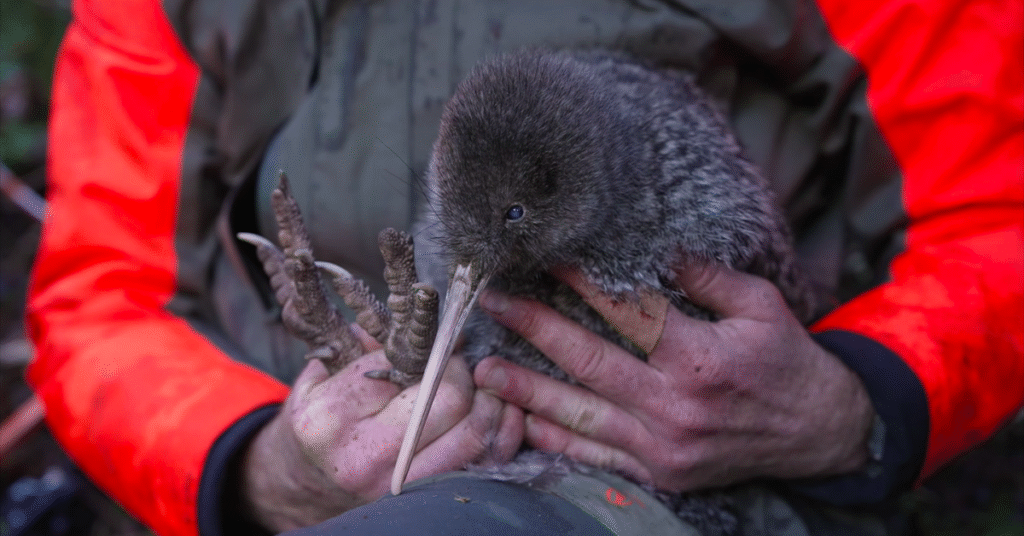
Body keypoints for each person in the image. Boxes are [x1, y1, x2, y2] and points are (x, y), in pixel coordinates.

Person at [26, 0, 1022, 535]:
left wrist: (851, 399)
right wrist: (254, 465)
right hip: (323, 461)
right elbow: (98, 295)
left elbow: (998, 207)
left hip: (684, 474)